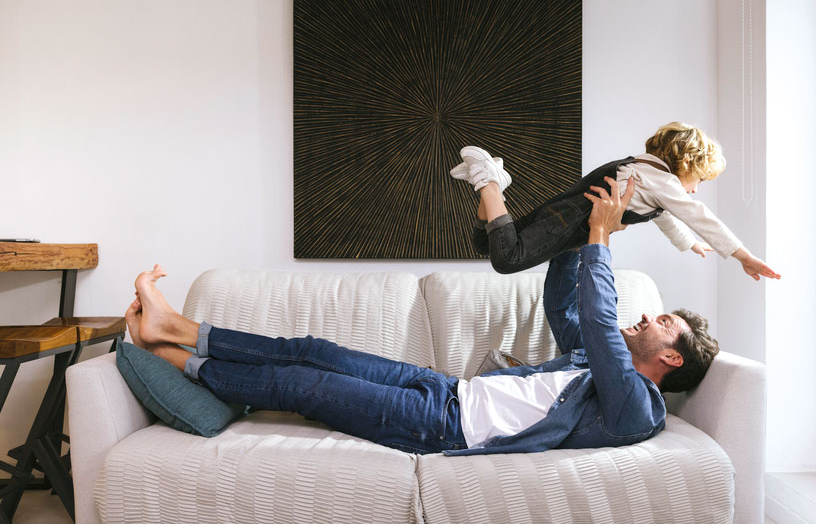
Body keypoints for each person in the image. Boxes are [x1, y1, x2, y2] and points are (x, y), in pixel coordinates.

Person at [126, 177, 718, 454]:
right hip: (443, 390)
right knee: (313, 348)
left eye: (663, 323)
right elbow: (567, 304)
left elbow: (596, 317)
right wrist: (571, 231)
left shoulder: (637, 410)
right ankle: (176, 327)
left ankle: (174, 359)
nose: (648, 318)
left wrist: (600, 238)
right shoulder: (595, 361)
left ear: (670, 359)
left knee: (297, 385)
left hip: (438, 427)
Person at [450, 121, 781, 280]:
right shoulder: (662, 181)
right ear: (686, 165)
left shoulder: (641, 171)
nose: (694, 190)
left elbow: (663, 216)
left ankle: (495, 179)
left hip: (561, 212)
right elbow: (700, 215)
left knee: (484, 241)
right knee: (507, 259)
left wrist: (688, 244)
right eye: (699, 180)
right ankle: (489, 181)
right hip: (569, 223)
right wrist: (743, 255)